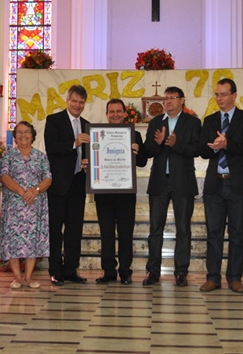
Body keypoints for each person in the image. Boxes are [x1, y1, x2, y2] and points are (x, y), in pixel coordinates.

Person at [199, 78, 243, 293]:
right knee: (213, 233)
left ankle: (234, 277)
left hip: (238, 184)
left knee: (237, 233)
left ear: (234, 95)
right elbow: (202, 150)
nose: (219, 98)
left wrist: (228, 145)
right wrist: (214, 148)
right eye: (216, 94)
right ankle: (212, 277)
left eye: (223, 94)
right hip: (215, 185)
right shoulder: (210, 120)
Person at [142, 86, 201, 287]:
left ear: (182, 100)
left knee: (183, 229)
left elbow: (197, 149)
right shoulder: (156, 122)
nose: (168, 101)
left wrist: (176, 144)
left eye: (172, 98)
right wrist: (158, 143)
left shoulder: (193, 122)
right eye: (166, 98)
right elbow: (147, 151)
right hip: (159, 181)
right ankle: (152, 272)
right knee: (155, 229)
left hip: (183, 182)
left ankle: (181, 272)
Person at [94, 99, 147, 285]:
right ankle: (108, 271)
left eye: (118, 111)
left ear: (125, 113)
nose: (115, 114)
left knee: (126, 234)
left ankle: (125, 271)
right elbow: (92, 160)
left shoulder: (135, 135)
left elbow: (142, 162)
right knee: (106, 233)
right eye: (111, 111)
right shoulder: (97, 135)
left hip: (125, 193)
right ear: (107, 114)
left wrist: (138, 150)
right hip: (103, 193)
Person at [44, 85, 90, 286]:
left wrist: (89, 162)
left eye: (81, 102)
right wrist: (74, 143)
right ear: (67, 100)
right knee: (55, 229)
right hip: (58, 184)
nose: (78, 105)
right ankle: (55, 270)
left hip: (79, 181)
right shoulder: (54, 120)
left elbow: (90, 151)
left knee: (74, 229)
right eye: (75, 101)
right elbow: (51, 147)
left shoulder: (88, 124)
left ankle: (71, 269)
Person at [0, 121, 52, 289]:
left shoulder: (41, 156)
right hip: (14, 205)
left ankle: (28, 277)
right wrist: (22, 192)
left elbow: (48, 178)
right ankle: (17, 277)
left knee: (32, 239)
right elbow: (4, 176)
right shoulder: (8, 156)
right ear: (14, 137)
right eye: (20, 132)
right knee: (13, 240)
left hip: (34, 205)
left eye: (27, 132)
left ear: (33, 136)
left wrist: (35, 191)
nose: (23, 135)